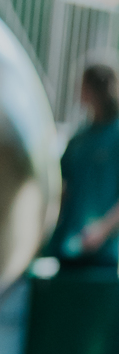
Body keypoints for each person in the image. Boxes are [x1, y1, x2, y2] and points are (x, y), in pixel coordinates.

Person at [50, 64, 119, 268]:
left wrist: (103, 230)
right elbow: (61, 187)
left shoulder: (115, 136)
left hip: (103, 256)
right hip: (67, 247)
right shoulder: (79, 139)